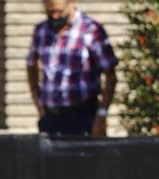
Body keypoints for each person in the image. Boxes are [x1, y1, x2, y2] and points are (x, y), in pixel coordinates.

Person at [26, 0, 116, 138]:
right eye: (50, 12)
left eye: (59, 12)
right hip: (51, 117)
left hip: (82, 115)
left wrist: (101, 116)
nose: (55, 17)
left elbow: (111, 76)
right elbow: (31, 64)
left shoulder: (91, 30)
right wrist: (37, 100)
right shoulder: (42, 31)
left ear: (72, 3)